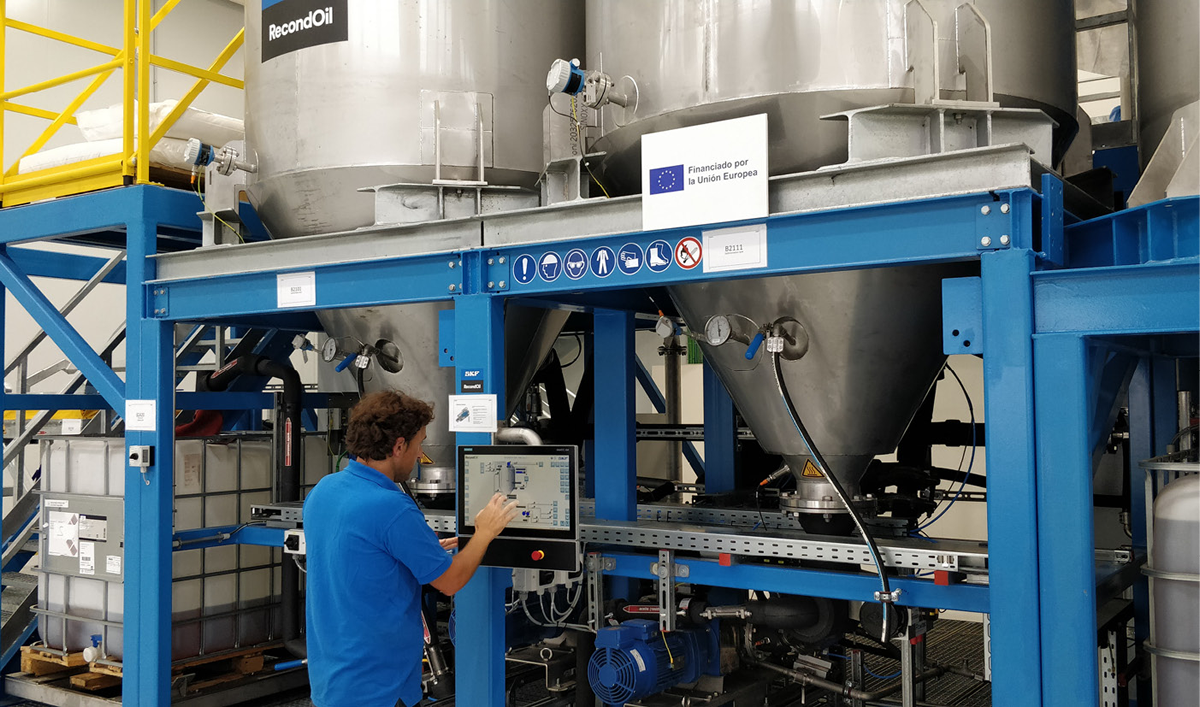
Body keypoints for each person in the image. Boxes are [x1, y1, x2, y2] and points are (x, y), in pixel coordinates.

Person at [303, 391, 518, 707]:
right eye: (419, 444)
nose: (421, 454)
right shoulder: (392, 507)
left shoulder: (324, 490)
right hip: (381, 688)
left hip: (332, 681)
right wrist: (484, 533)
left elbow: (363, 557)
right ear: (398, 445)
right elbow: (450, 581)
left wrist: (422, 550)